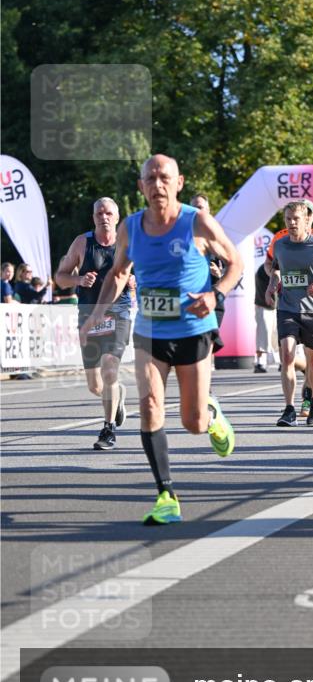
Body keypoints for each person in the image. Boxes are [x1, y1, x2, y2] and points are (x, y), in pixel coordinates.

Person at [80, 155, 243, 524]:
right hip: (150, 333)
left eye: (164, 177)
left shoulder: (196, 221)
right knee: (151, 404)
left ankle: (212, 414)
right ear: (141, 186)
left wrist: (216, 294)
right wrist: (95, 314)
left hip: (193, 331)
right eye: (150, 178)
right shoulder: (130, 228)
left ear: (179, 182)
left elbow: (236, 263)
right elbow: (119, 274)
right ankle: (166, 495)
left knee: (193, 422)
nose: (157, 184)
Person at [56, 198, 133, 450]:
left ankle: (108, 429)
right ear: (93, 217)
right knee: (95, 385)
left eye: (109, 212)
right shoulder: (82, 242)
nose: (104, 217)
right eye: (99, 213)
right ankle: (117, 396)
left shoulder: (127, 242)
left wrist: (134, 282)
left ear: (117, 216)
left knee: (110, 368)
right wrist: (78, 279)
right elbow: (60, 277)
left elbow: (143, 273)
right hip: (88, 316)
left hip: (117, 313)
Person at [266, 199, 313, 427]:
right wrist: (272, 285)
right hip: (287, 308)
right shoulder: (279, 244)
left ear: (307, 220)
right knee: (287, 355)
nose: (292, 223)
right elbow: (275, 269)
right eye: (288, 219)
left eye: (296, 219)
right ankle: (289, 408)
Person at [190, 193, 226, 363]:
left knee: (206, 343)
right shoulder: (183, 235)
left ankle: (204, 386)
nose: (196, 211)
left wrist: (219, 276)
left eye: (200, 207)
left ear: (209, 210)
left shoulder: (216, 235)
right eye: (193, 207)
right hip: (190, 299)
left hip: (213, 298)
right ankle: (202, 385)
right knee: (195, 346)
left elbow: (234, 267)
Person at [254, 262, 278, 372]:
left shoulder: (279, 267)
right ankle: (260, 363)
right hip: (264, 306)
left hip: (276, 307)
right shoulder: (264, 270)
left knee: (276, 335)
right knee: (263, 334)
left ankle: (281, 361)